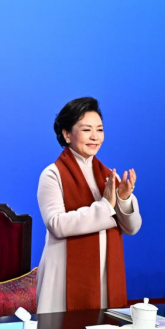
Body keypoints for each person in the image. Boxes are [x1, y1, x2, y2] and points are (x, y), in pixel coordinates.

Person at [36, 97, 142, 314]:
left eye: (99, 130)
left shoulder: (109, 176)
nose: (95, 136)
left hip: (105, 276)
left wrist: (123, 198)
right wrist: (106, 206)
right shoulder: (52, 174)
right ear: (67, 134)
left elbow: (132, 228)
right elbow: (57, 224)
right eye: (86, 130)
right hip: (65, 277)